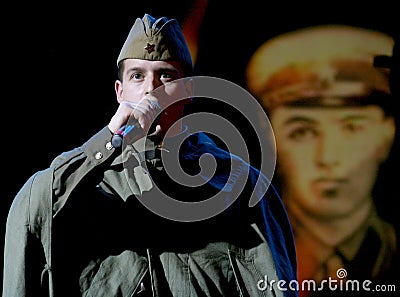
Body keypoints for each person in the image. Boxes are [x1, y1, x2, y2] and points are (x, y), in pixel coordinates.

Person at [2, 13, 297, 297]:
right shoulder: (84, 187)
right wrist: (107, 142)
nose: (150, 91)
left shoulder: (238, 185)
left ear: (188, 90)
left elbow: (275, 284)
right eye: (137, 76)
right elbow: (33, 210)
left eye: (165, 76)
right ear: (120, 92)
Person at [245, 25, 399, 296]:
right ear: (273, 145)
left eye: (353, 128)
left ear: (387, 136)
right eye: (302, 132)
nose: (328, 158)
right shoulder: (244, 259)